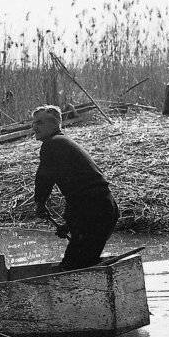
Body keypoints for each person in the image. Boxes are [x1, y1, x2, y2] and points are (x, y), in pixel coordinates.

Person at [32, 105, 119, 270]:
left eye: (40, 122)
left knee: (72, 267)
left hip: (95, 210)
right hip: (105, 207)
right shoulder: (62, 143)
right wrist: (70, 225)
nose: (34, 127)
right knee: (84, 263)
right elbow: (81, 191)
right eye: (34, 123)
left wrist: (40, 203)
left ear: (54, 124)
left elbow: (44, 177)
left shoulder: (52, 144)